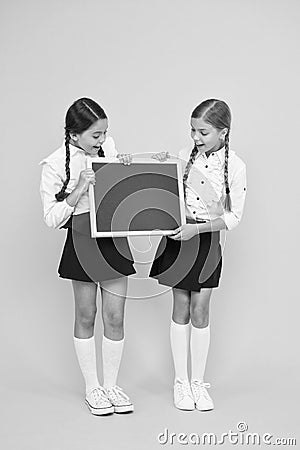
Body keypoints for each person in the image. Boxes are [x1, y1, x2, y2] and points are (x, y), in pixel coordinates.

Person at [40, 97, 135, 416]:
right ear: (73, 135)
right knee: (86, 315)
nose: (103, 140)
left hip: (113, 238)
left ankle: (111, 385)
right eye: (96, 135)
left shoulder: (109, 148)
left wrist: (127, 169)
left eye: (105, 133)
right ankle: (92, 387)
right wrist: (78, 189)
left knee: (115, 316)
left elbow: (119, 193)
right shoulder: (54, 163)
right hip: (80, 238)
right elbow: (51, 218)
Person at [150, 99, 247, 411]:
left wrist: (199, 230)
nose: (195, 137)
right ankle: (180, 382)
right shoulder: (183, 157)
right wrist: (159, 162)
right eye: (192, 130)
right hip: (181, 235)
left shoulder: (236, 165)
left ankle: (197, 382)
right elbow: (169, 190)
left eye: (203, 132)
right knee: (180, 305)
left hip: (205, 239)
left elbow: (233, 218)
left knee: (201, 310)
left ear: (223, 132)